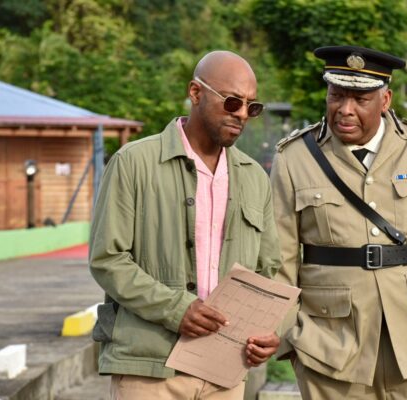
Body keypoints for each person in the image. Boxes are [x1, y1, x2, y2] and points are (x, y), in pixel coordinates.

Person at [270, 45, 407, 399]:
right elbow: (279, 258)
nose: (345, 109)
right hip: (330, 347)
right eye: (336, 95)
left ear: (385, 100)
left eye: (360, 99)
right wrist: (288, 335)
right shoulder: (294, 158)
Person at [89, 50, 281, 400]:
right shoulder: (134, 163)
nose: (241, 114)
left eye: (251, 107)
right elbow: (108, 259)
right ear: (195, 93)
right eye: (232, 102)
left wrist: (269, 330)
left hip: (225, 371)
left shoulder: (254, 177)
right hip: (149, 369)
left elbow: (268, 271)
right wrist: (176, 309)